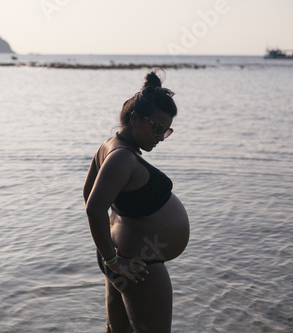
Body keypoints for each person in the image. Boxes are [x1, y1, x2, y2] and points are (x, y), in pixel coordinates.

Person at [83, 70, 190, 332]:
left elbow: (89, 193)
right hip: (140, 265)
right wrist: (113, 259)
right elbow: (94, 208)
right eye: (156, 128)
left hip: (126, 259)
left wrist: (113, 248)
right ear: (134, 118)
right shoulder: (122, 158)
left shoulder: (109, 147)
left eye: (166, 131)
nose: (159, 137)